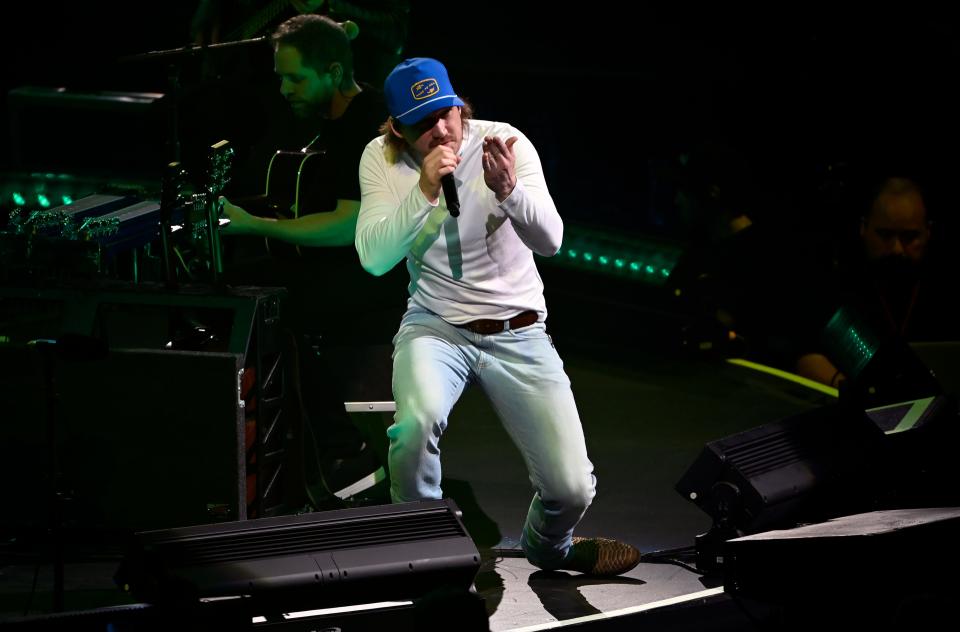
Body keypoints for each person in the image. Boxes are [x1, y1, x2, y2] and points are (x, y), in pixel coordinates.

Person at [354, 57, 641, 576]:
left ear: (459, 103)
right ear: (397, 128)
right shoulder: (381, 158)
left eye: (447, 112)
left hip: (519, 330)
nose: (442, 130)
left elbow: (551, 242)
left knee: (571, 487)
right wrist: (422, 190)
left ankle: (549, 546)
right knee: (414, 428)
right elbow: (373, 259)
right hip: (435, 325)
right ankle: (423, 554)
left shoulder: (504, 142)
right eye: (423, 123)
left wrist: (510, 191)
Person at [217, 14, 406, 507]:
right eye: (280, 76)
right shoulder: (319, 119)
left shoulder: (369, 125)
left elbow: (348, 225)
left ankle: (347, 455)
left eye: (296, 77)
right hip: (329, 267)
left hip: (375, 275)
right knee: (225, 291)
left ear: (335, 72)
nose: (283, 88)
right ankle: (272, 467)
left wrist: (255, 225)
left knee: (276, 311)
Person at [793, 175, 955, 393]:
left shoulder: (946, 292)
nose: (897, 249)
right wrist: (850, 392)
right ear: (863, 228)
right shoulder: (839, 283)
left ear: (928, 232)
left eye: (910, 237)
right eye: (885, 235)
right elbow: (805, 354)